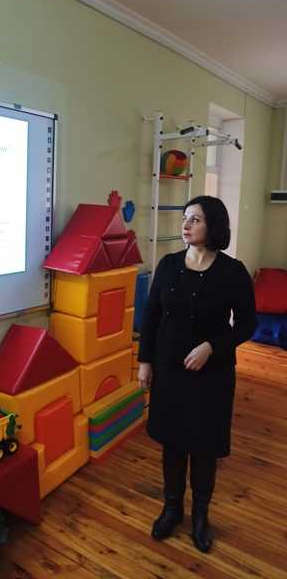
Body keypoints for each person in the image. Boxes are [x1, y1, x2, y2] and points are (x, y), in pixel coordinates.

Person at [138, 195, 256, 553]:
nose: (186, 225)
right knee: (173, 441)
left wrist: (212, 347)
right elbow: (151, 315)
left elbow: (247, 325)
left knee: (204, 445)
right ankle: (172, 507)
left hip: (212, 375)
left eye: (196, 219)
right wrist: (145, 362)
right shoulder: (169, 264)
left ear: (213, 225)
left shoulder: (232, 272)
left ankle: (201, 514)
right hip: (169, 369)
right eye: (186, 218)